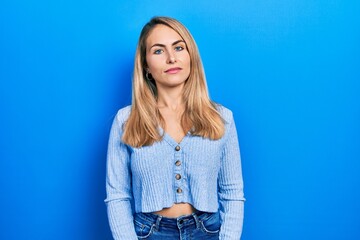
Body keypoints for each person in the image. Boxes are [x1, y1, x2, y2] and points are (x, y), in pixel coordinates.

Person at [105, 16, 245, 240]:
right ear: (146, 65)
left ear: (191, 56)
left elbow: (232, 193)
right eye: (158, 51)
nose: (172, 58)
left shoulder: (221, 118)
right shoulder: (126, 120)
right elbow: (117, 195)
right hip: (148, 233)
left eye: (179, 48)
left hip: (207, 231)